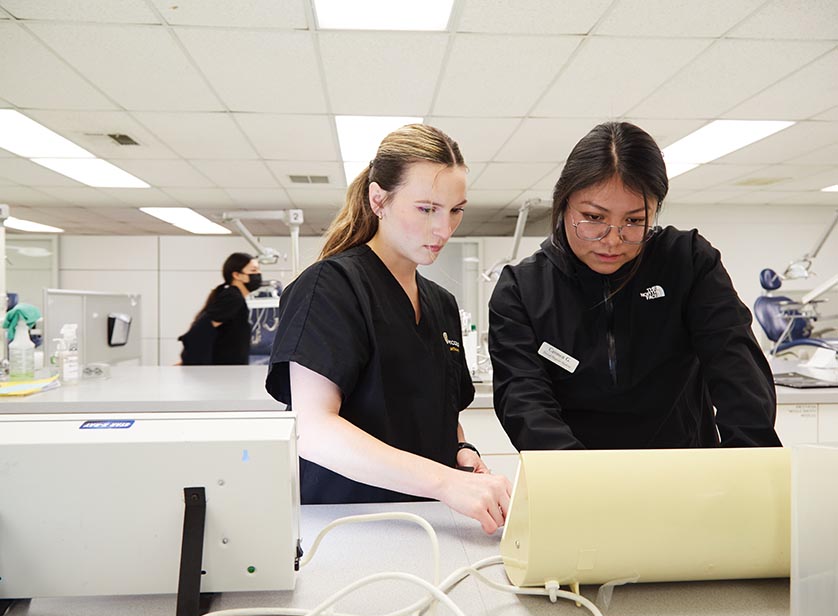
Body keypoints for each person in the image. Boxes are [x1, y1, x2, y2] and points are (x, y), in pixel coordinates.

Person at [266, 124, 511, 534]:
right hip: (346, 527)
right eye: (427, 209)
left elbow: (440, 414)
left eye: (455, 210)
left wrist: (461, 450)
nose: (444, 229)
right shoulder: (330, 287)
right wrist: (445, 482)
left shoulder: (441, 304)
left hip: (432, 524)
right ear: (379, 199)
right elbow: (312, 429)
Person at [489, 121, 782, 451]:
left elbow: (736, 368)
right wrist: (575, 477)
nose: (613, 241)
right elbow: (524, 399)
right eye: (594, 218)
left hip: (684, 469)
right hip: (572, 476)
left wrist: (748, 461)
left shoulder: (687, 262)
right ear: (564, 203)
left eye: (634, 221)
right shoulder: (522, 289)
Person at [179, 252, 261, 365]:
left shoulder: (232, 295)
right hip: (222, 373)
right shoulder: (233, 298)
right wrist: (190, 361)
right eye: (253, 270)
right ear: (236, 275)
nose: (258, 274)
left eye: (258, 270)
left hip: (227, 371)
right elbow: (201, 329)